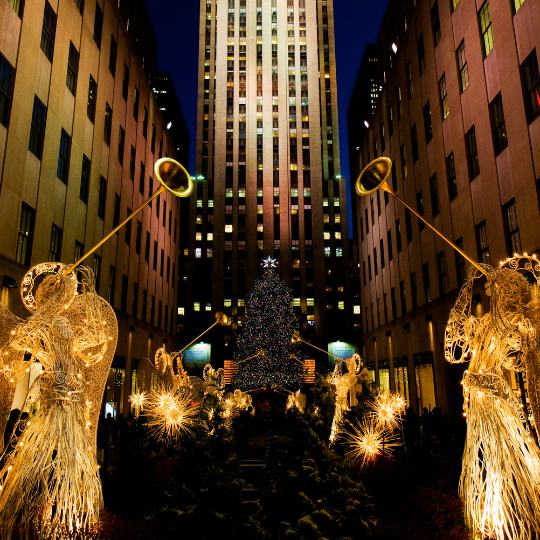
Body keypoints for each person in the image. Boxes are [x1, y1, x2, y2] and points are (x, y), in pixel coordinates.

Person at [445, 266, 540, 540]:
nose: (494, 291)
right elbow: (453, 350)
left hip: (497, 406)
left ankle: (515, 520)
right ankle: (489, 523)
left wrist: (478, 380)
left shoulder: (518, 325)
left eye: (503, 288)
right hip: (477, 407)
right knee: (481, 464)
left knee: (505, 465)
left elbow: (509, 357)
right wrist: (466, 287)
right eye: (496, 287)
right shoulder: (484, 323)